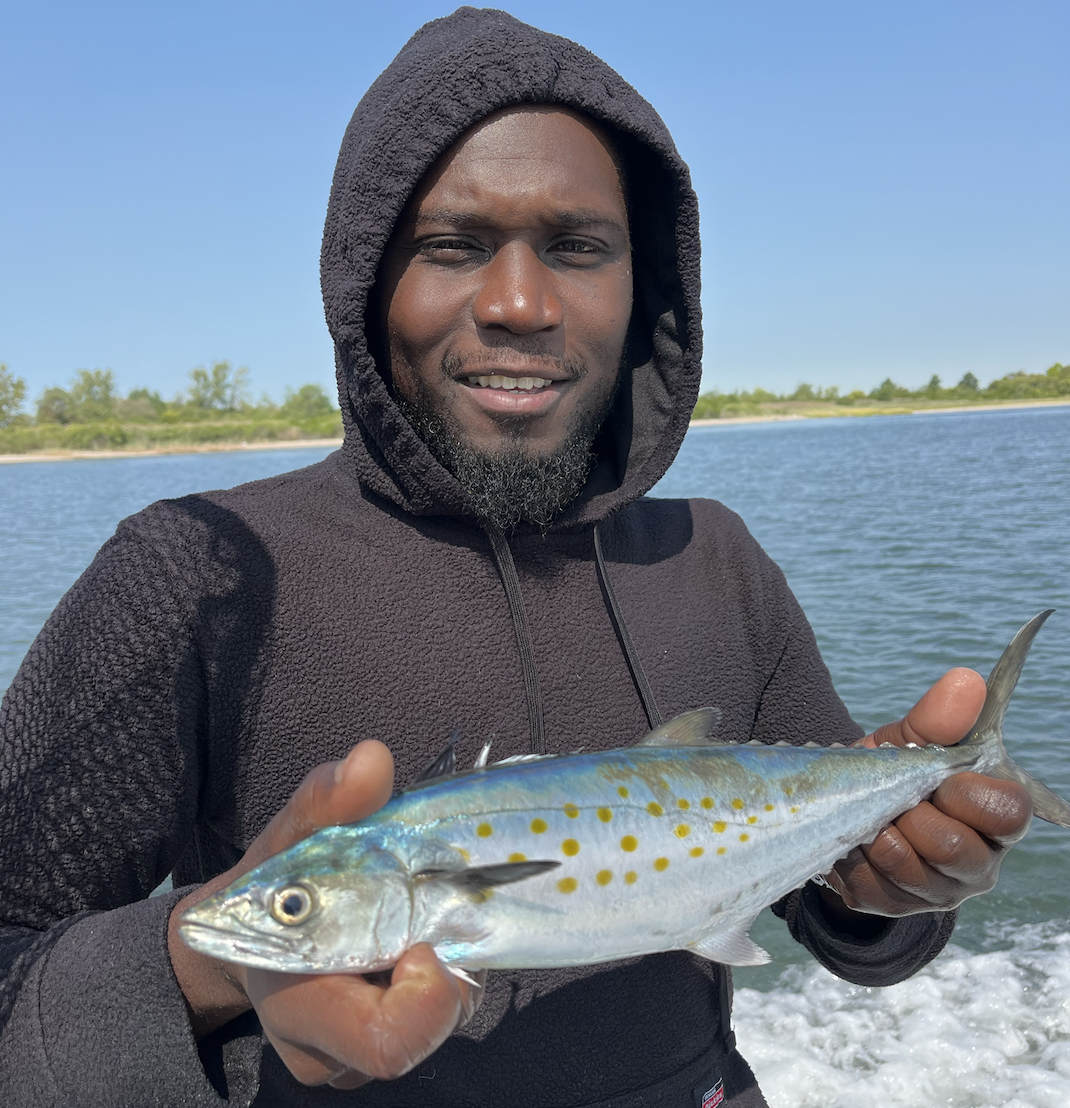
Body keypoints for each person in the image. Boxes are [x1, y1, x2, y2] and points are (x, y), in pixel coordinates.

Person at [0, 8, 1031, 1106]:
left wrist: (893, 891)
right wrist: (209, 964)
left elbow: (840, 915)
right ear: (365, 281)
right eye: (451, 247)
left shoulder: (719, 558)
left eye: (578, 247)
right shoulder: (195, 572)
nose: (518, 305)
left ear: (650, 293)